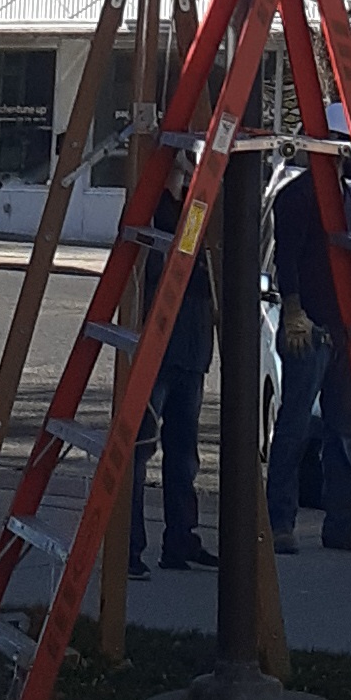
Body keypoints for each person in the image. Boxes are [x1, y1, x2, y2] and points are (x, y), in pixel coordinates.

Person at [264, 108, 351, 555]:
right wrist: (293, 310)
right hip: (309, 330)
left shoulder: (348, 199)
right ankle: (279, 522)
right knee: (293, 427)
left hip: (344, 329)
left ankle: (342, 521)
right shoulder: (298, 196)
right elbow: (287, 259)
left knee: (342, 430)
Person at [129, 166, 218, 577]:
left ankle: (181, 538)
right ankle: (130, 546)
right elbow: (158, 266)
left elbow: (206, 272)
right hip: (156, 345)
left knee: (184, 453)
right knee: (139, 447)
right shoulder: (154, 209)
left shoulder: (198, 211)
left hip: (192, 349)